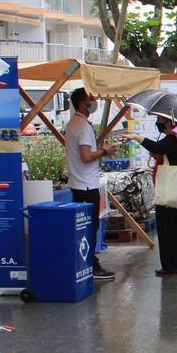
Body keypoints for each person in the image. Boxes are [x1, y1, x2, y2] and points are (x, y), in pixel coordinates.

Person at [122, 118, 177, 276]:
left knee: (168, 229)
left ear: (169, 122)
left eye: (161, 120)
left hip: (168, 195)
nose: (158, 122)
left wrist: (136, 137)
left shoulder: (172, 138)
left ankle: (171, 264)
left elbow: (157, 147)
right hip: (176, 193)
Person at [64, 88, 115, 281]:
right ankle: (91, 265)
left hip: (78, 183)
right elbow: (86, 156)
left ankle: (86, 263)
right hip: (87, 185)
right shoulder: (83, 126)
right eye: (91, 100)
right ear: (83, 103)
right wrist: (105, 151)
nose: (94, 103)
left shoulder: (73, 123)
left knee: (84, 228)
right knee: (89, 228)